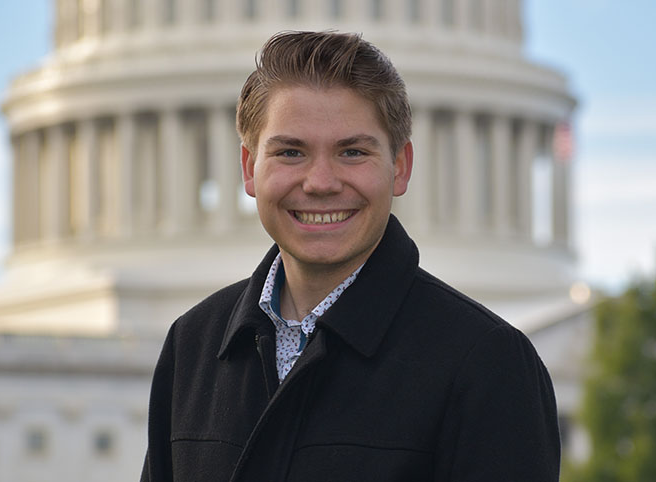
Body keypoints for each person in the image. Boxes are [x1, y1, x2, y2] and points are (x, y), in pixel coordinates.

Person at [141, 30, 560, 482]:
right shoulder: (193, 345)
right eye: (290, 152)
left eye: (352, 152)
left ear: (400, 167)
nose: (321, 182)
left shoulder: (485, 362)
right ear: (249, 168)